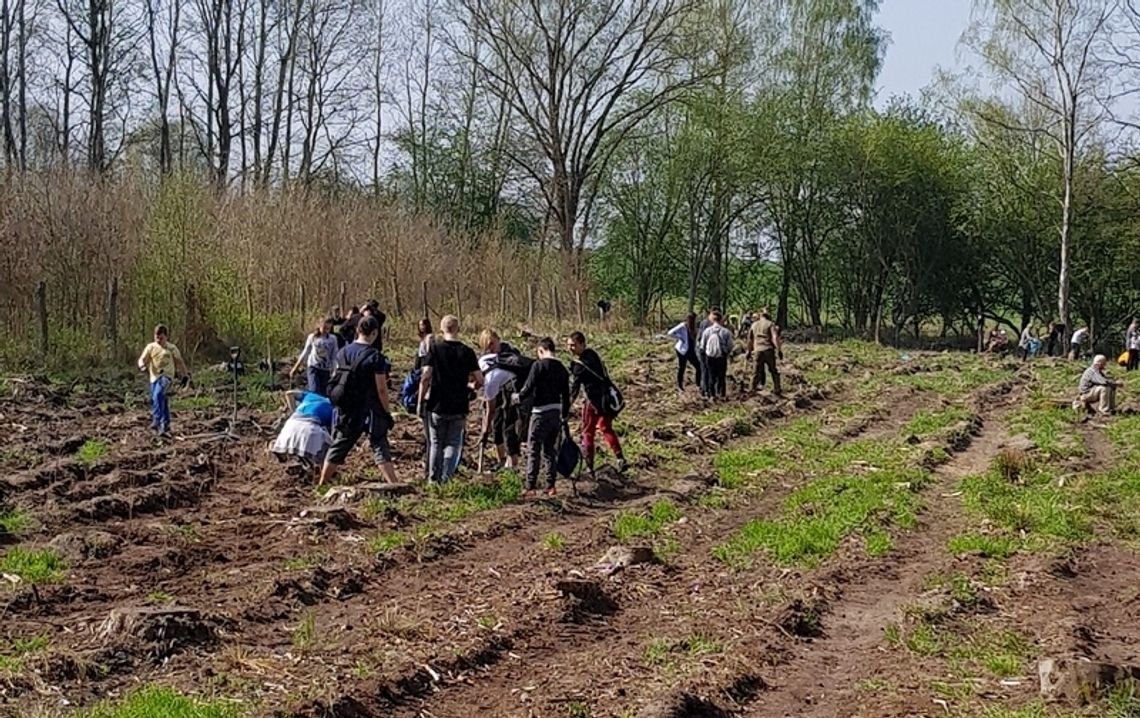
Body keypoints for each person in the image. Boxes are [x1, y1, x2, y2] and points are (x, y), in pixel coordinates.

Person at [319, 315, 397, 486]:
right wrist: (386, 411)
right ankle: (393, 483)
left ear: (357, 331)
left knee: (340, 444)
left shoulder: (343, 352)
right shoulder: (376, 357)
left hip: (347, 407)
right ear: (375, 333)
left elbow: (335, 376)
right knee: (379, 443)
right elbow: (382, 389)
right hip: (369, 408)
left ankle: (322, 482)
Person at [419, 315, 483, 484]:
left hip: (437, 404)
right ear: (458, 329)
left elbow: (425, 376)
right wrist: (471, 387)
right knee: (453, 443)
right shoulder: (467, 352)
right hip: (459, 404)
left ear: (441, 329)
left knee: (435, 443)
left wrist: (420, 401)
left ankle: (434, 479)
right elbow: (480, 379)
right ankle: (447, 477)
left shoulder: (434, 349)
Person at [516, 337, 571, 496]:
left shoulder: (538, 366)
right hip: (556, 412)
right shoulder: (562, 368)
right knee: (549, 450)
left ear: (541, 350)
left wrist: (517, 397)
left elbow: (528, 387)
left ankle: (530, 486)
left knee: (534, 448)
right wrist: (565, 416)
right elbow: (566, 396)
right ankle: (550, 486)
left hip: (540, 413)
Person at [567, 331, 627, 475]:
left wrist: (567, 406)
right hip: (608, 399)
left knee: (587, 432)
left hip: (593, 402)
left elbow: (574, 390)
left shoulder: (578, 365)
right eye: (568, 345)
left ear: (582, 344)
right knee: (606, 428)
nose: (570, 348)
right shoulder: (593, 354)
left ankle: (589, 467)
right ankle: (620, 458)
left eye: (573, 345)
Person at [478, 329, 527, 471]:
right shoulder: (484, 359)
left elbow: (490, 408)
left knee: (509, 426)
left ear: (498, 339)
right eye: (488, 346)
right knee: (497, 425)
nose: (492, 348)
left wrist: (484, 431)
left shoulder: (511, 352)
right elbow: (481, 380)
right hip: (498, 393)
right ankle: (501, 460)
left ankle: (513, 463)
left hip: (513, 393)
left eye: (493, 343)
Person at [137, 324, 190, 437]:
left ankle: (156, 419)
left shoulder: (171, 348)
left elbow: (180, 362)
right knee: (162, 400)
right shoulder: (150, 347)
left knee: (158, 395)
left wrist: (185, 375)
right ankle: (165, 425)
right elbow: (142, 359)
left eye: (161, 338)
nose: (158, 340)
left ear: (166, 337)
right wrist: (142, 365)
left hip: (166, 376)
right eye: (156, 338)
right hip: (154, 377)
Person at [272, 390, 334, 470]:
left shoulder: (311, 396)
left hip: (290, 425)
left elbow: (289, 393)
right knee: (330, 452)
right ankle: (323, 474)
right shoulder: (333, 408)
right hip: (310, 429)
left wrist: (293, 411)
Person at [290, 316, 338, 396]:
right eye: (324, 328)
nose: (326, 331)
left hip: (325, 369)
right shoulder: (312, 337)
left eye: (328, 329)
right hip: (313, 367)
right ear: (319, 326)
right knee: (314, 390)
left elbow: (334, 356)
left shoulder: (332, 339)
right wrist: (296, 367)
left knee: (324, 394)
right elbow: (305, 352)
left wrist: (334, 370)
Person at [747, 308, 782, 395]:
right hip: (768, 349)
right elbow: (774, 337)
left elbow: (750, 340)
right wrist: (779, 349)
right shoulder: (770, 324)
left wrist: (749, 351)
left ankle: (752, 390)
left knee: (755, 372)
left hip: (757, 350)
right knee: (773, 370)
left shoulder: (754, 325)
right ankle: (777, 388)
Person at [699, 310, 734, 399]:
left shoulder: (707, 331)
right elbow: (730, 345)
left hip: (709, 357)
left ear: (712, 320)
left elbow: (702, 345)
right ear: (721, 319)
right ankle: (721, 394)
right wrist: (727, 352)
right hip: (721, 356)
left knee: (711, 375)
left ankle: (712, 395)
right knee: (721, 376)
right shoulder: (726, 331)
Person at [667, 313, 702, 392]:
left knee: (699, 367)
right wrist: (680, 337)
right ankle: (680, 386)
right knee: (682, 367)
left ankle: (698, 384)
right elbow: (670, 332)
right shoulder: (683, 326)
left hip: (691, 350)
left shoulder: (694, 328)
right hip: (682, 350)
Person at [695, 309, 716, 398]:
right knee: (705, 370)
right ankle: (705, 390)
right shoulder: (705, 323)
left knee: (708, 371)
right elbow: (700, 338)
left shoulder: (712, 324)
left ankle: (707, 389)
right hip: (704, 351)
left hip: (710, 350)